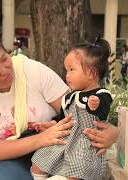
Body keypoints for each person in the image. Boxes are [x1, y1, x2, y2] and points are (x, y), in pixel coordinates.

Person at [0, 31, 120, 180]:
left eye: (4, 58)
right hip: (7, 164)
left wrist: (112, 132)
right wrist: (40, 139)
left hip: (57, 153)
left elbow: (76, 112)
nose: (5, 70)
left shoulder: (31, 70)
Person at [31, 38, 113, 180]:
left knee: (76, 172)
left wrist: (96, 104)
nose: (67, 74)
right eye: (66, 70)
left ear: (91, 73)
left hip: (85, 144)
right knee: (38, 161)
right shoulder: (70, 97)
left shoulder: (101, 95)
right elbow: (64, 116)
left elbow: (103, 110)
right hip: (66, 140)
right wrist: (52, 124)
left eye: (71, 69)